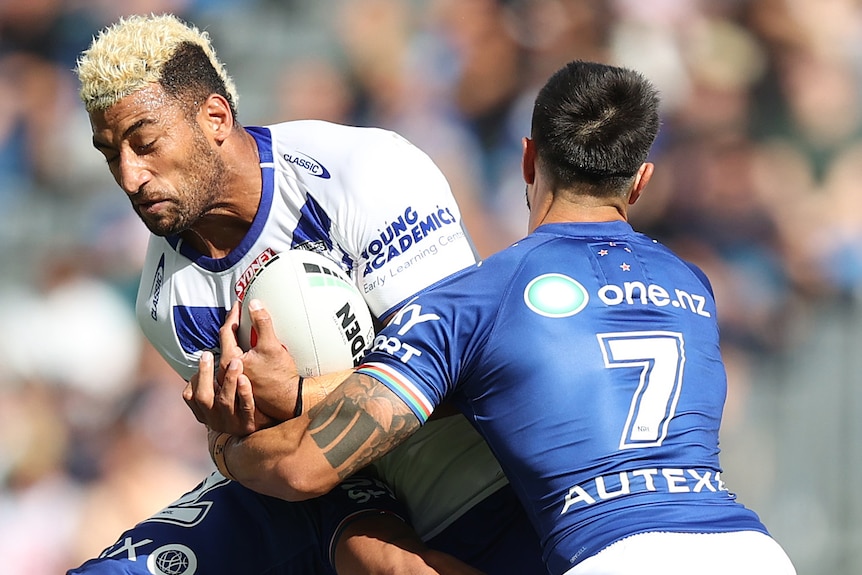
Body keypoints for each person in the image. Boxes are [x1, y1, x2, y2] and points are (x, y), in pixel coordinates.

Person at [189, 60, 800, 575]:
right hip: (753, 550)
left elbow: (303, 466)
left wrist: (227, 446)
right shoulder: (692, 282)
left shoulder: (478, 298)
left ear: (528, 159)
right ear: (640, 182)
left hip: (610, 555)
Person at [68, 12, 543, 575]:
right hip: (363, 512)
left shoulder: (363, 173)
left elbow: (465, 376)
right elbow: (274, 464)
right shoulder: (166, 301)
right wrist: (234, 444)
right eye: (109, 153)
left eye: (144, 143)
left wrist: (290, 398)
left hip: (511, 488)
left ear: (215, 118)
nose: (129, 176)